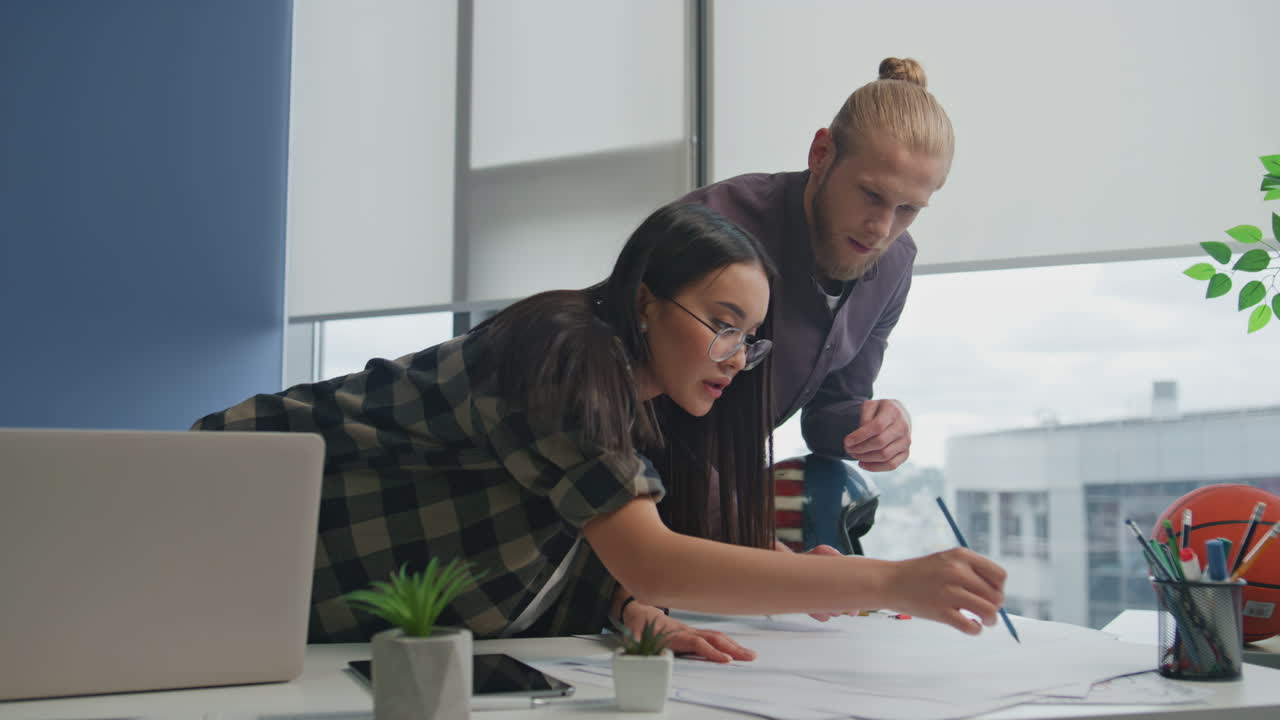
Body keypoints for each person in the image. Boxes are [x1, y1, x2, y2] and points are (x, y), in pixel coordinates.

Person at [194, 203, 1006, 663]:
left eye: (749, 339)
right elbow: (650, 554)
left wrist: (627, 605)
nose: (737, 359)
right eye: (722, 324)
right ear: (646, 300)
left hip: (292, 616)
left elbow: (559, 528)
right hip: (213, 516)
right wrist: (891, 582)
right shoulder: (561, 353)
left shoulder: (631, 402)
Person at [674, 56, 953, 554]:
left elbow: (827, 416)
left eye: (908, 209)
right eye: (871, 194)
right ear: (821, 153)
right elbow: (637, 415)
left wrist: (872, 422)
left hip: (721, 519)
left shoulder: (892, 263)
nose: (882, 229)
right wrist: (758, 543)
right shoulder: (711, 226)